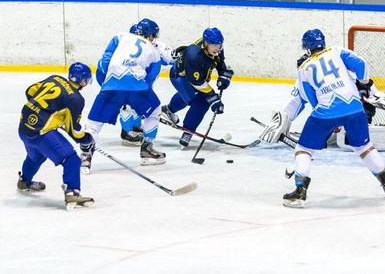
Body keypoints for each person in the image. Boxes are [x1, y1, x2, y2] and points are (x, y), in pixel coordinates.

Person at [260, 29, 385, 208]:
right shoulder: (337, 51)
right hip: (355, 108)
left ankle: (300, 191)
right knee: (364, 147)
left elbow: (311, 99)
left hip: (325, 112)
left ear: (306, 48)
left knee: (303, 150)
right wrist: (364, 84)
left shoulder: (304, 69)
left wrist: (328, 122)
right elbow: (361, 64)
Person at [81, 18, 165, 173]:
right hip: (138, 88)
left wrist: (107, 84)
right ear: (150, 35)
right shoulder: (154, 51)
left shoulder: (120, 37)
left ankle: (85, 157)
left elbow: (105, 61)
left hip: (111, 85)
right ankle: (147, 149)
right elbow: (150, 78)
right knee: (154, 110)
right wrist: (137, 101)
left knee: (94, 122)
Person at [18, 62, 95, 209]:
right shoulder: (76, 99)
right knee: (71, 159)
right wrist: (87, 139)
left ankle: (24, 181)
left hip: (24, 125)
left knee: (37, 156)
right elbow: (74, 131)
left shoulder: (55, 78)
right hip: (40, 131)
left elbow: (30, 91)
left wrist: (43, 111)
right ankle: (72, 193)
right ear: (83, 81)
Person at [160, 27, 234, 147]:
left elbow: (219, 62)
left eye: (219, 45)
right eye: (214, 45)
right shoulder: (194, 56)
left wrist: (224, 75)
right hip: (180, 78)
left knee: (189, 96)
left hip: (195, 77)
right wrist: (213, 98)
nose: (218, 48)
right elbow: (197, 82)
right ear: (206, 43)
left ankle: (168, 110)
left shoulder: (216, 48)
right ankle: (188, 130)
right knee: (202, 102)